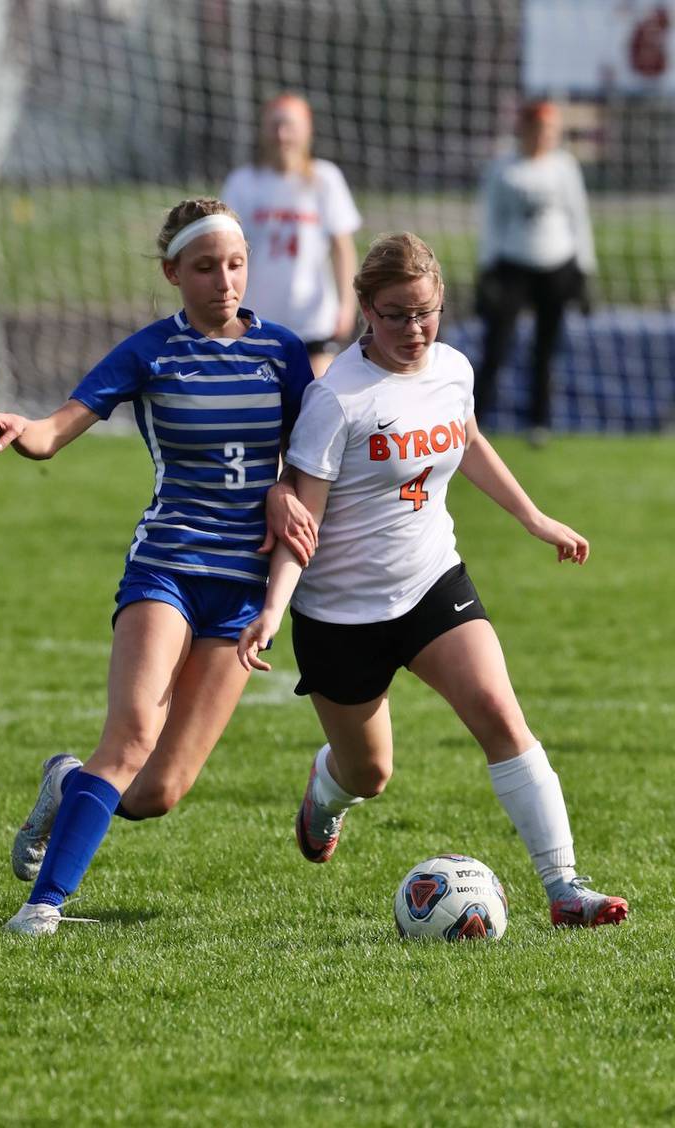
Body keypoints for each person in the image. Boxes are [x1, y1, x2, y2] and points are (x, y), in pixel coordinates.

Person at [238, 232, 628, 930]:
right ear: (364, 308)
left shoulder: (450, 367)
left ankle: (566, 889)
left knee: (502, 717)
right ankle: (325, 793)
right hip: (341, 616)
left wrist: (534, 518)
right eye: (395, 314)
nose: (414, 330)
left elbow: (468, 437)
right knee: (370, 775)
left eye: (426, 312)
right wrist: (274, 610)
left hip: (431, 583)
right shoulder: (336, 401)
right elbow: (304, 527)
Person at [0, 197, 318, 936]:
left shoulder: (283, 354)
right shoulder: (150, 351)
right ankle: (41, 909)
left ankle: (68, 785)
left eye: (235, 264)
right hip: (167, 567)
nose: (225, 280)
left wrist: (284, 488)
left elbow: (312, 461)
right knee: (128, 737)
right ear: (171, 273)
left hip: (244, 593)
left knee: (158, 791)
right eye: (204, 267)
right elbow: (55, 431)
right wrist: (14, 425)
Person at [474, 100, 596, 447]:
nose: (546, 137)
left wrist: (584, 270)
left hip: (556, 265)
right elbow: (491, 222)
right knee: (496, 345)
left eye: (552, 131)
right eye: (540, 129)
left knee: (545, 347)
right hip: (513, 265)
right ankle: (475, 421)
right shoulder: (503, 167)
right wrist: (488, 270)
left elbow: (578, 217)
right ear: (525, 129)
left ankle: (539, 422)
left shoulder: (565, 167)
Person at [221, 92, 362, 379]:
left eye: (290, 126)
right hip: (257, 317)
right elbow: (223, 249)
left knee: (317, 398)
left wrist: (347, 305)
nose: (282, 136)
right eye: (275, 126)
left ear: (307, 131)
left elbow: (342, 247)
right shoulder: (243, 183)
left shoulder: (325, 179)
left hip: (313, 319)